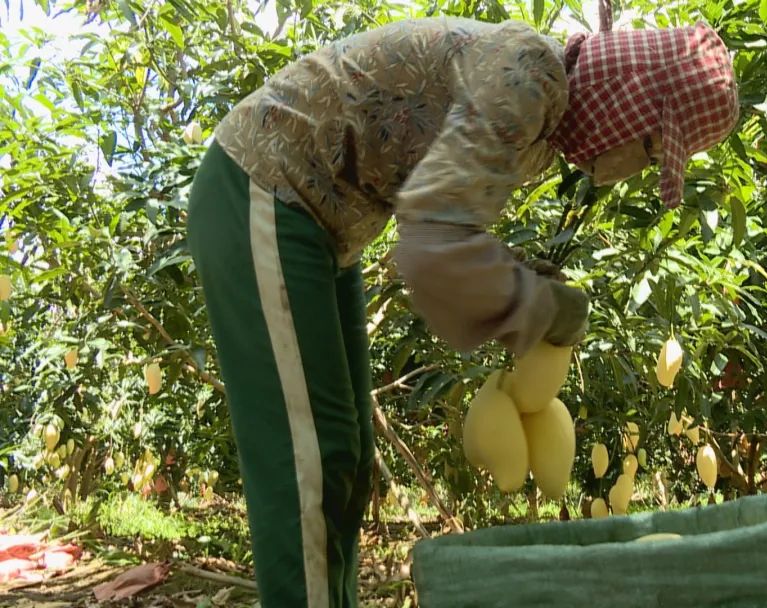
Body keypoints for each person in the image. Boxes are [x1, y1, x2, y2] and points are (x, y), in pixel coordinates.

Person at [185, 10, 738, 608]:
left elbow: (449, 219)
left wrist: (527, 291)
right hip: (264, 188)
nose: (642, 165)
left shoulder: (540, 116)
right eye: (653, 146)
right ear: (630, 99)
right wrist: (540, 305)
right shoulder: (531, 74)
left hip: (321, 222)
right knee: (309, 464)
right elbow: (431, 248)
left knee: (344, 454)